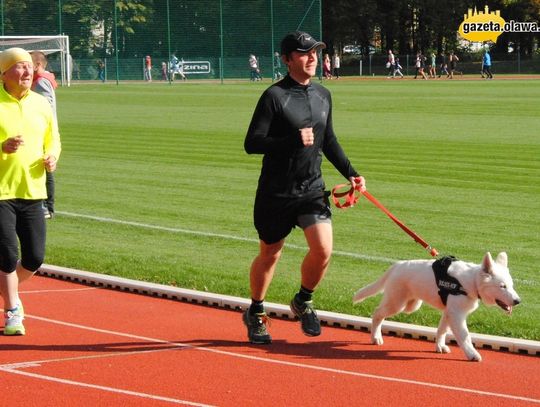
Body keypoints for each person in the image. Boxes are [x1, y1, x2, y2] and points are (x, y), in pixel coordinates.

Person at [243, 31, 364, 344]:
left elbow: (329, 140)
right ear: (287, 59)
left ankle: (303, 299)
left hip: (311, 188)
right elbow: (252, 143)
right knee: (270, 254)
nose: (311, 58)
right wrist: (290, 141)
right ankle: (256, 311)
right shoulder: (273, 96)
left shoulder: (323, 95)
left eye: (315, 52)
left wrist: (351, 173)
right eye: (303, 53)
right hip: (276, 192)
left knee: (323, 249)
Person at [0, 47, 61, 336]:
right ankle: (13, 311)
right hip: (1, 191)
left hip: (33, 189)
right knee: (6, 255)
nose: (26, 72)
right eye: (19, 67)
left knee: (35, 257)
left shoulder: (41, 103)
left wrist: (52, 156)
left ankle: (6, 289)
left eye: (28, 67)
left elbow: (54, 138)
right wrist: (2, 147)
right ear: (4, 73)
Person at [30, 51, 58, 219]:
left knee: (45, 167)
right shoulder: (42, 80)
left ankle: (47, 206)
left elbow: (44, 106)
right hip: (43, 130)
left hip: (42, 131)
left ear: (38, 65)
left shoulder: (41, 82)